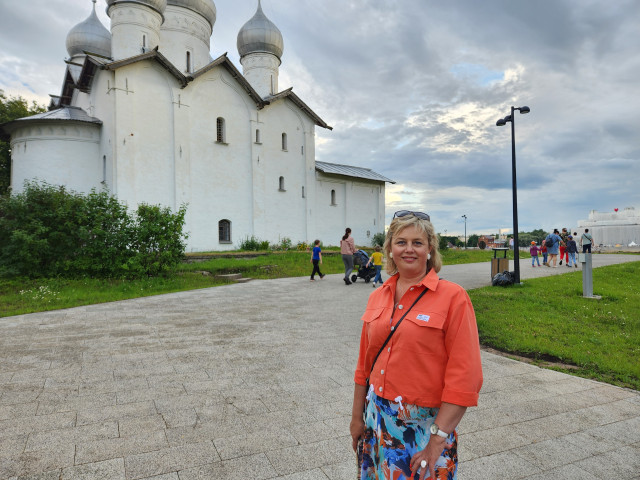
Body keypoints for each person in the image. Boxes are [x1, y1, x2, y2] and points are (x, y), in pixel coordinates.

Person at [351, 210, 483, 480]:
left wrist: (437, 441)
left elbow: (465, 378)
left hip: (425, 428)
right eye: (401, 242)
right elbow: (364, 366)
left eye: (418, 243)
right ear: (389, 249)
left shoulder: (453, 298)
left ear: (430, 249)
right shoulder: (377, 296)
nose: (408, 249)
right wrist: (356, 419)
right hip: (376, 420)